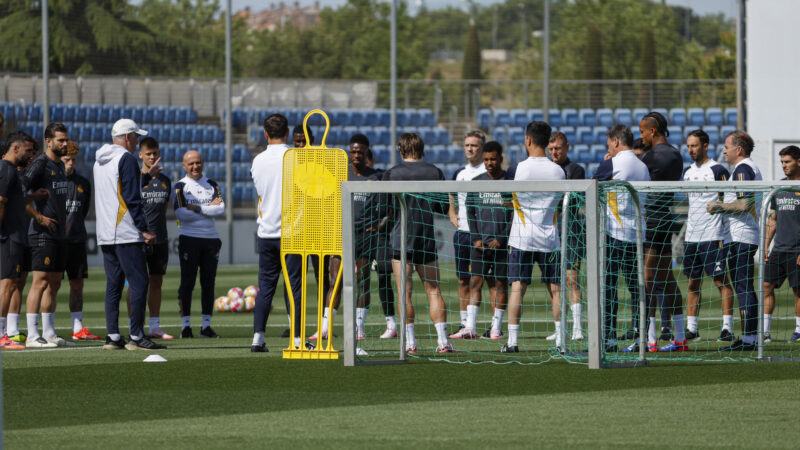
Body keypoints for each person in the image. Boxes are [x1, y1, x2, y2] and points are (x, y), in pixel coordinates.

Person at [94, 118, 164, 350]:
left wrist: (145, 177)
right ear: (127, 138)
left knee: (113, 285)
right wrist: (144, 229)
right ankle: (136, 336)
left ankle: (113, 337)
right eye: (135, 137)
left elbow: (117, 188)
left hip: (106, 231)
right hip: (125, 231)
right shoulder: (126, 159)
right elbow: (131, 197)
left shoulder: (99, 161)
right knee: (139, 282)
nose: (136, 142)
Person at [383, 132, 453, 354]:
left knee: (404, 293)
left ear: (400, 149)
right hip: (426, 238)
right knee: (433, 290)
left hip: (401, 238)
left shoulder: (392, 173)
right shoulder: (435, 172)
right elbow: (442, 207)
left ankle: (410, 343)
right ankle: (443, 341)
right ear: (422, 149)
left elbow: (385, 207)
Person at [502, 122, 566, 353]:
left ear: (528, 140)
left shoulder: (516, 170)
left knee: (517, 288)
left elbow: (505, 199)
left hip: (522, 238)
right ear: (548, 142)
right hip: (550, 238)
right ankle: (561, 341)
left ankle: (512, 342)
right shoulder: (559, 171)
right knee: (556, 290)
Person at [593, 125, 650, 352]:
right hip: (637, 233)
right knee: (637, 287)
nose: (608, 147)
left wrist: (605, 163)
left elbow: (589, 187)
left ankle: (609, 339)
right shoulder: (643, 166)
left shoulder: (612, 164)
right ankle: (640, 337)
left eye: (609, 143)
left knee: (609, 286)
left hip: (614, 233)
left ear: (616, 141)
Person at [250, 114, 304, 352]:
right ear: (288, 132)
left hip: (266, 232)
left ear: (265, 134)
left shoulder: (257, 161)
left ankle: (258, 338)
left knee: (265, 287)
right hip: (293, 232)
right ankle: (297, 339)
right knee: (295, 288)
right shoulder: (297, 157)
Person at [707, 130, 762, 351]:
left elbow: (743, 204)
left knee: (743, 285)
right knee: (742, 285)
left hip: (741, 236)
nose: (723, 151)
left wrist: (718, 207)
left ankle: (750, 339)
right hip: (741, 236)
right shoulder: (745, 169)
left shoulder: (742, 169)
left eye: (726, 147)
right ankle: (749, 337)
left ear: (738, 150)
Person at [323, 134, 382, 341]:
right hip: (342, 234)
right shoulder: (341, 175)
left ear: (367, 153)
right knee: (335, 281)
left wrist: (378, 224)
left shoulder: (376, 177)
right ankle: (325, 328)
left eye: (360, 152)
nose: (356, 155)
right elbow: (329, 202)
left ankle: (359, 328)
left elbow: (387, 207)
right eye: (353, 151)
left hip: (365, 236)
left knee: (363, 281)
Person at [638, 111, 687, 351]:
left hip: (654, 218)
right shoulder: (675, 153)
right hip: (665, 216)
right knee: (666, 278)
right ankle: (680, 338)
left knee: (647, 280)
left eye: (642, 132)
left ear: (653, 131)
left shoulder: (653, 156)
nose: (641, 136)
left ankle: (649, 340)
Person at [23, 123, 73, 348]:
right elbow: (19, 192)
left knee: (54, 283)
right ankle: (33, 335)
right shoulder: (39, 164)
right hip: (41, 233)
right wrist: (39, 217)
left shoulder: (60, 165)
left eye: (66, 139)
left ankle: (49, 332)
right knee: (40, 282)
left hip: (59, 234)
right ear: (48, 141)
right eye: (61, 140)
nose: (65, 144)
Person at [681, 129, 734, 342]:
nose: (690, 149)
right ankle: (692, 329)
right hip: (691, 237)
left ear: (705, 145)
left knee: (721, 281)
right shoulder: (687, 172)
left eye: (694, 145)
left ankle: (727, 328)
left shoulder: (718, 170)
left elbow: (728, 199)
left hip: (713, 235)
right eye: (688, 146)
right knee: (693, 283)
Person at [458, 141, 511, 340]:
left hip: (501, 245)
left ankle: (496, 328)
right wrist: (476, 238)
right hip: (480, 245)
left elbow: (514, 214)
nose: (489, 163)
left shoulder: (509, 182)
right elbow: (470, 213)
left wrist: (501, 238)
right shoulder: (476, 182)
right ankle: (470, 327)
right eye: (486, 159)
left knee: (500, 284)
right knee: (475, 282)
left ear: (500, 159)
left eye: (493, 159)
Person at [173, 150, 224, 338]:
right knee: (187, 282)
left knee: (208, 283)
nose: (195, 167)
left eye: (198, 163)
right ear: (184, 166)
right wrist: (207, 210)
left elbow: (220, 209)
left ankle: (206, 327)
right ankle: (185, 327)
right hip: (189, 238)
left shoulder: (212, 184)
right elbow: (180, 213)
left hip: (211, 239)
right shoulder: (180, 186)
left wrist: (196, 208)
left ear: (203, 163)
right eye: (191, 164)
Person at [547, 131, 585, 340]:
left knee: (572, 279)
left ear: (567, 147)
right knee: (554, 283)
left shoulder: (575, 170)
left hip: (571, 232)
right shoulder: (546, 170)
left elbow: (572, 200)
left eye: (558, 148)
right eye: (551, 149)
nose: (554, 152)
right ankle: (561, 328)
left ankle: (578, 327)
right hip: (550, 231)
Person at [61, 141, 101, 341]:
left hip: (77, 240)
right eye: (67, 159)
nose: (71, 163)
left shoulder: (84, 183)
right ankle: (44, 329)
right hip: (56, 241)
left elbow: (82, 212)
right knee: (48, 285)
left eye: (74, 160)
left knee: (77, 285)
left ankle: (77, 328)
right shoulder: (51, 181)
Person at [0, 132, 36, 349]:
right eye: (27, 150)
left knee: (11, 284)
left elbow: (14, 199)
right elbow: (1, 201)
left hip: (15, 235)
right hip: (8, 235)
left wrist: (33, 197)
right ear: (15, 148)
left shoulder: (13, 171)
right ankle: (1, 334)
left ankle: (5, 332)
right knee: (6, 285)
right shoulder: (6, 169)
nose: (30, 155)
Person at [448, 131, 487, 335]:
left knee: (483, 281)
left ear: (482, 148)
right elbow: (451, 193)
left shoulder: (487, 172)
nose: (470, 149)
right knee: (462, 279)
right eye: (467, 145)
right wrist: (452, 212)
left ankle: (493, 326)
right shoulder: (459, 173)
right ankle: (464, 324)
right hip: (462, 233)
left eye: (474, 145)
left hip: (481, 234)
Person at [762, 145, 800, 344]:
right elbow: (773, 219)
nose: (784, 166)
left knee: (798, 291)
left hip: (797, 250)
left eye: (787, 162)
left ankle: (799, 330)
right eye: (782, 162)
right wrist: (766, 246)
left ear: (799, 162)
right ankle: (765, 332)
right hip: (778, 249)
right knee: (766, 286)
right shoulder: (779, 188)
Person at [137, 137, 173, 339]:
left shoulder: (166, 181)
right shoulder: (135, 179)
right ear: (140, 154)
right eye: (148, 153)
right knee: (137, 283)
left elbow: (163, 209)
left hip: (160, 239)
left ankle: (154, 327)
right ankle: (136, 327)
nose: (152, 157)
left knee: (156, 282)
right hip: (139, 239)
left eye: (155, 153)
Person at [365, 147, 397, 338]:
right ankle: (388, 324)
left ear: (371, 161)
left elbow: (390, 209)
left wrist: (381, 223)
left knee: (386, 275)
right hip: (365, 235)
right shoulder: (353, 180)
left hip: (385, 235)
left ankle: (394, 324)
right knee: (370, 279)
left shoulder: (382, 177)